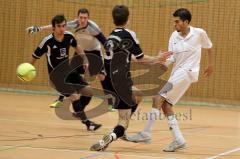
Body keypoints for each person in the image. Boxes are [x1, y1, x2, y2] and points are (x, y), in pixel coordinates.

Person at [127, 8, 214, 152]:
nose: (175, 24)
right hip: (178, 72)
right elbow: (171, 57)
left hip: (188, 72)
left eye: (177, 21)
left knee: (157, 96)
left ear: (186, 22)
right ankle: (179, 140)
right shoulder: (174, 35)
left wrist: (211, 65)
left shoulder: (199, 33)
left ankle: (146, 133)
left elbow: (209, 47)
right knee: (166, 106)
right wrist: (160, 61)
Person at [90, 5, 171, 151]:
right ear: (128, 19)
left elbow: (129, 56)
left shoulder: (110, 37)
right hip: (121, 81)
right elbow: (140, 58)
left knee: (138, 96)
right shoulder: (129, 34)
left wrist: (156, 61)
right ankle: (113, 135)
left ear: (114, 19)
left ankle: (121, 127)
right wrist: (158, 58)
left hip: (108, 81)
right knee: (123, 122)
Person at [26, 8, 114, 111]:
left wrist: (109, 48)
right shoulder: (74, 24)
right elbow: (55, 26)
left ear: (88, 18)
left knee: (102, 77)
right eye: (81, 17)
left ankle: (110, 103)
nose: (82, 20)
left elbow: (103, 40)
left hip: (94, 52)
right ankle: (60, 99)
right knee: (69, 73)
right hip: (81, 50)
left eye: (85, 18)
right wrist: (39, 28)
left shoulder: (93, 27)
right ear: (78, 17)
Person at [29, 14, 102, 131]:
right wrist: (29, 69)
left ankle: (79, 112)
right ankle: (88, 124)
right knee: (74, 96)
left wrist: (85, 59)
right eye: (59, 26)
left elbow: (77, 46)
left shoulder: (69, 36)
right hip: (56, 76)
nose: (62, 28)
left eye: (64, 26)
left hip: (68, 72)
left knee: (89, 92)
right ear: (53, 28)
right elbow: (35, 56)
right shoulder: (47, 41)